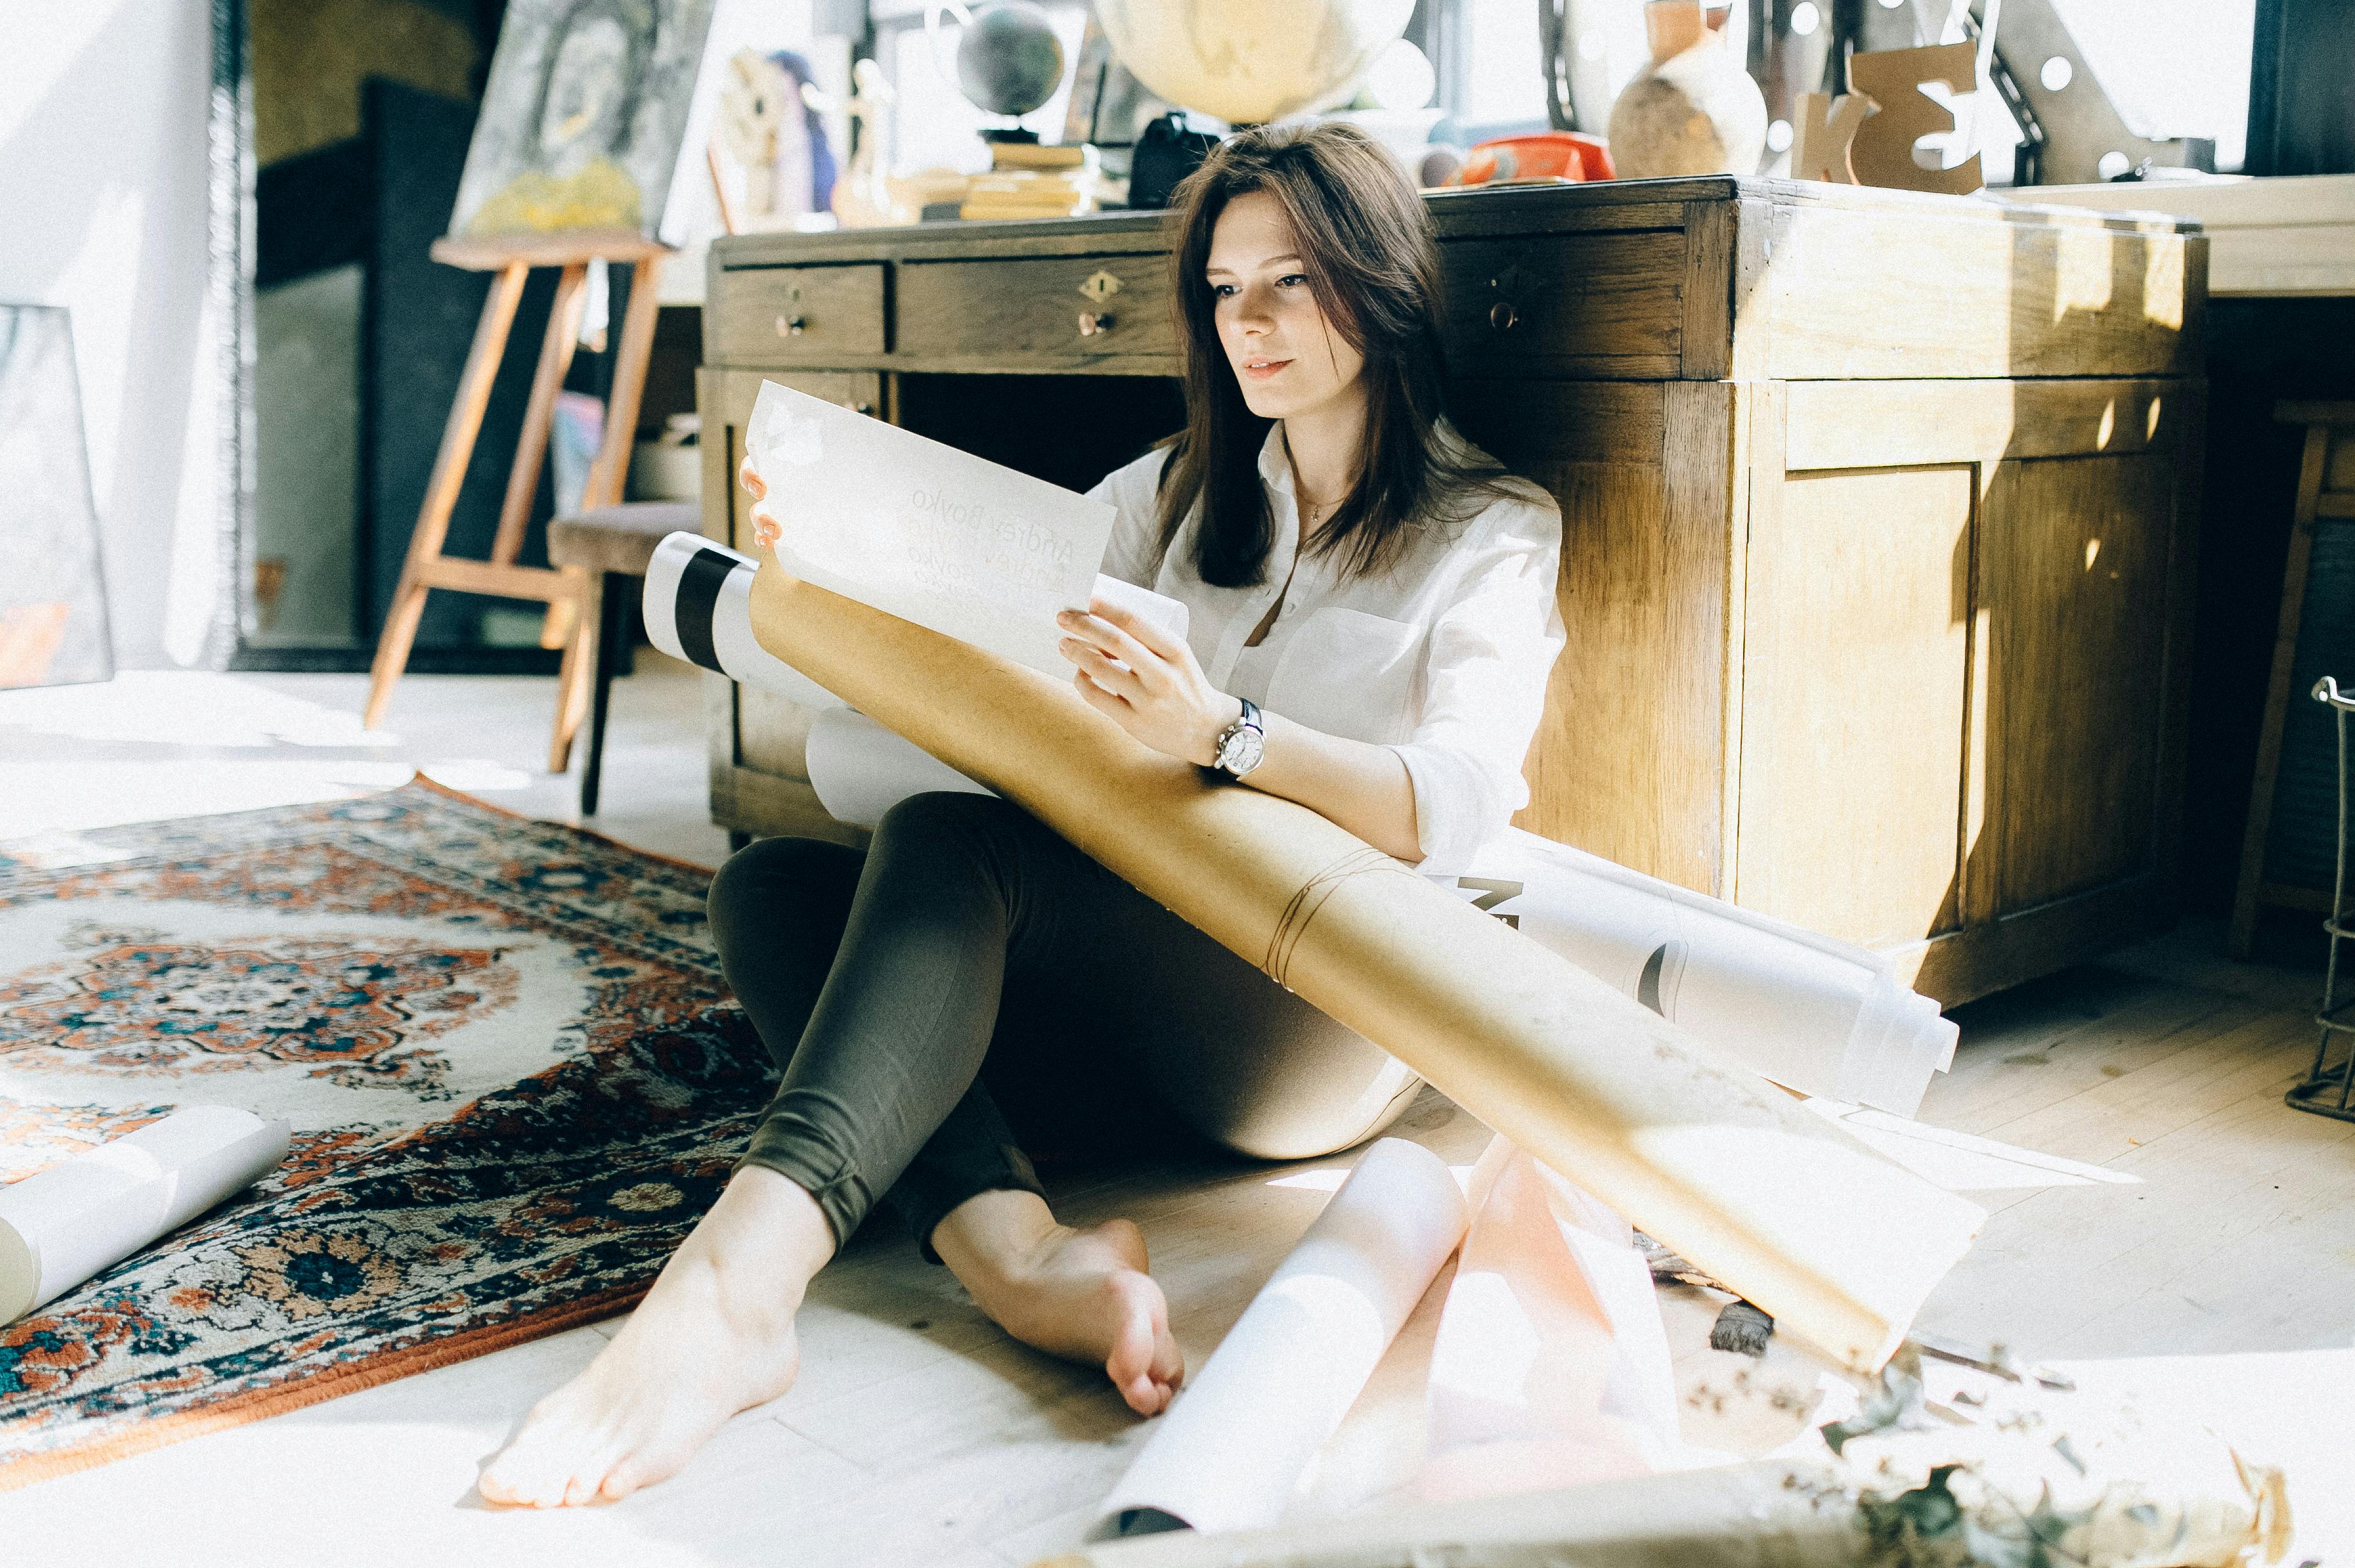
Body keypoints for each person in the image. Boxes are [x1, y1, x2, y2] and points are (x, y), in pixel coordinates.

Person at [478, 121, 1566, 1507]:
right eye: (1226, 291)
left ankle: (733, 1292)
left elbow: (1457, 806)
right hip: (1140, 981)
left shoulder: (1489, 526)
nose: (1251, 322)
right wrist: (825, 555)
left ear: (1379, 281)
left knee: (954, 849)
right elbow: (986, 600)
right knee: (770, 890)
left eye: (1290, 280)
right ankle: (1017, 1255)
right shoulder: (1183, 491)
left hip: (1314, 1019)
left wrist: (1220, 734)